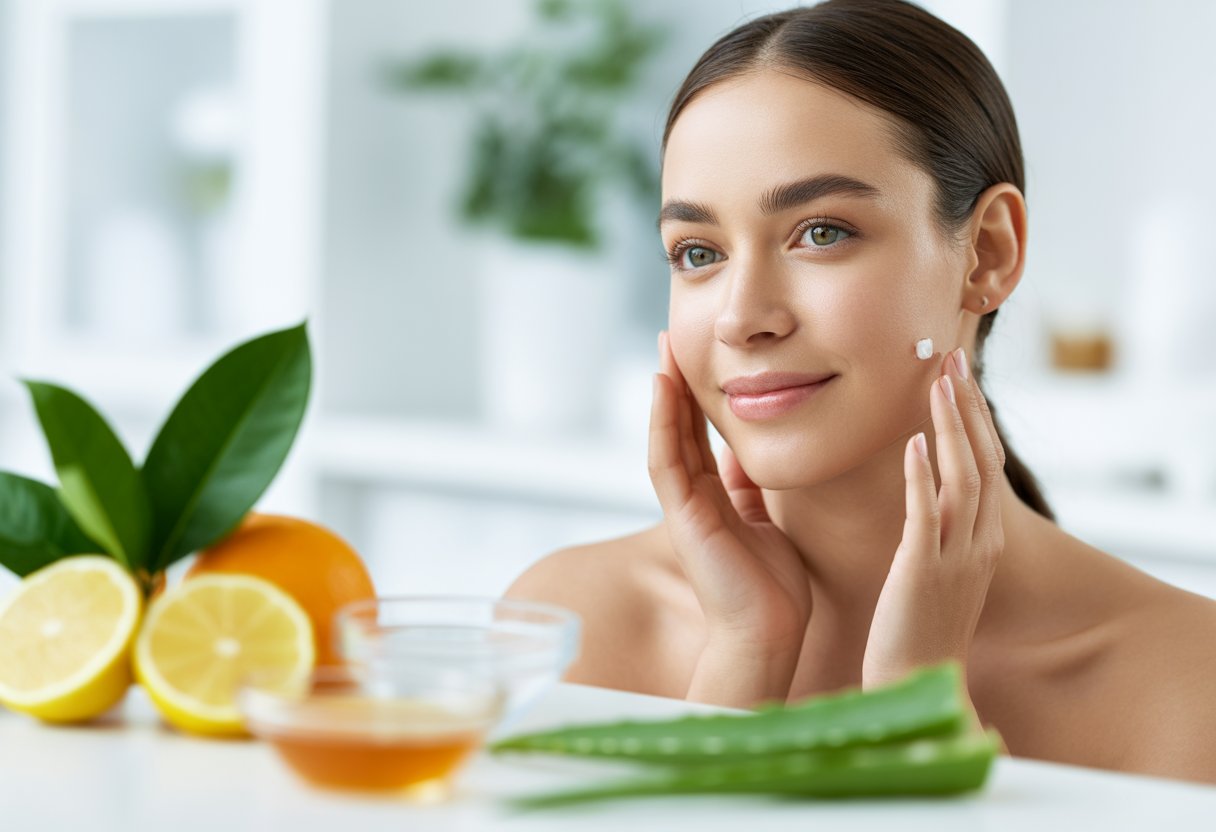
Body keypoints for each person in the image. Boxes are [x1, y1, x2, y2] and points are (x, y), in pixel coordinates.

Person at [504, 0, 1216, 785]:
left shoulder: (1191, 686)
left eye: (821, 232)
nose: (742, 318)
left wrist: (922, 700)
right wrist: (747, 658)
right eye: (698, 252)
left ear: (986, 253)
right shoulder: (568, 628)